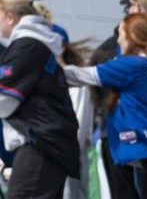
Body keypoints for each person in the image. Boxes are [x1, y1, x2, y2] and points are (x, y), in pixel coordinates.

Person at [62, 12, 147, 198]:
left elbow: (81, 76)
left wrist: (47, 67)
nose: (118, 40)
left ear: (134, 36)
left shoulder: (135, 65)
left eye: (121, 34)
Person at [0, 0, 79, 199]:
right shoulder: (38, 45)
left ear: (10, 17)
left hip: (40, 144)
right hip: (49, 144)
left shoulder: (27, 46)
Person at [50, 24, 94, 199]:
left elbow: (81, 123)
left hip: (69, 152)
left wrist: (66, 153)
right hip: (51, 153)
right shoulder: (44, 76)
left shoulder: (76, 78)